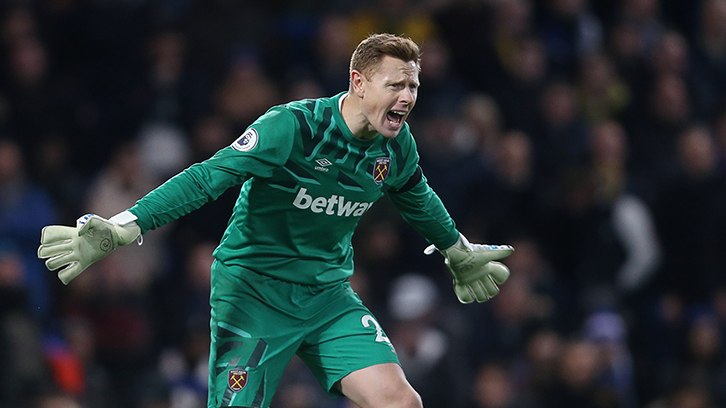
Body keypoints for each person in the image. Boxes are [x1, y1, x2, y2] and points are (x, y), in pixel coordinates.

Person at [37, 33, 514, 408]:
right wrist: (126, 224)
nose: (407, 97)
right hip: (253, 293)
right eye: (396, 84)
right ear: (358, 81)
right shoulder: (293, 127)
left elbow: (417, 198)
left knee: (400, 402)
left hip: (327, 295)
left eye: (413, 85)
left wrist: (457, 250)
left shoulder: (396, 146)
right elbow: (210, 176)